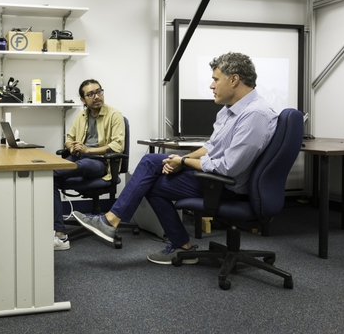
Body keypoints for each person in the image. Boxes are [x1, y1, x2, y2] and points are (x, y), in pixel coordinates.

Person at [73, 52, 278, 264]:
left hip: (228, 187)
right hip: (216, 177)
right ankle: (120, 224)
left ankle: (120, 224)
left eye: (216, 79)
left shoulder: (255, 115)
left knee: (150, 182)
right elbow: (211, 147)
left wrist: (183, 162)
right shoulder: (229, 111)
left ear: (234, 80)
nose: (211, 85)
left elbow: (227, 168)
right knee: (152, 163)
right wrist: (181, 159)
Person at [53, 79, 125, 250]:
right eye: (90, 94)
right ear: (83, 99)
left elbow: (117, 145)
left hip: (100, 162)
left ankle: (59, 169)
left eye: (99, 91)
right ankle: (60, 234)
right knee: (49, 178)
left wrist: (87, 150)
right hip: (79, 159)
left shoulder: (115, 115)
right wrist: (72, 147)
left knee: (77, 166)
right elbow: (69, 139)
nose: (96, 96)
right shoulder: (81, 116)